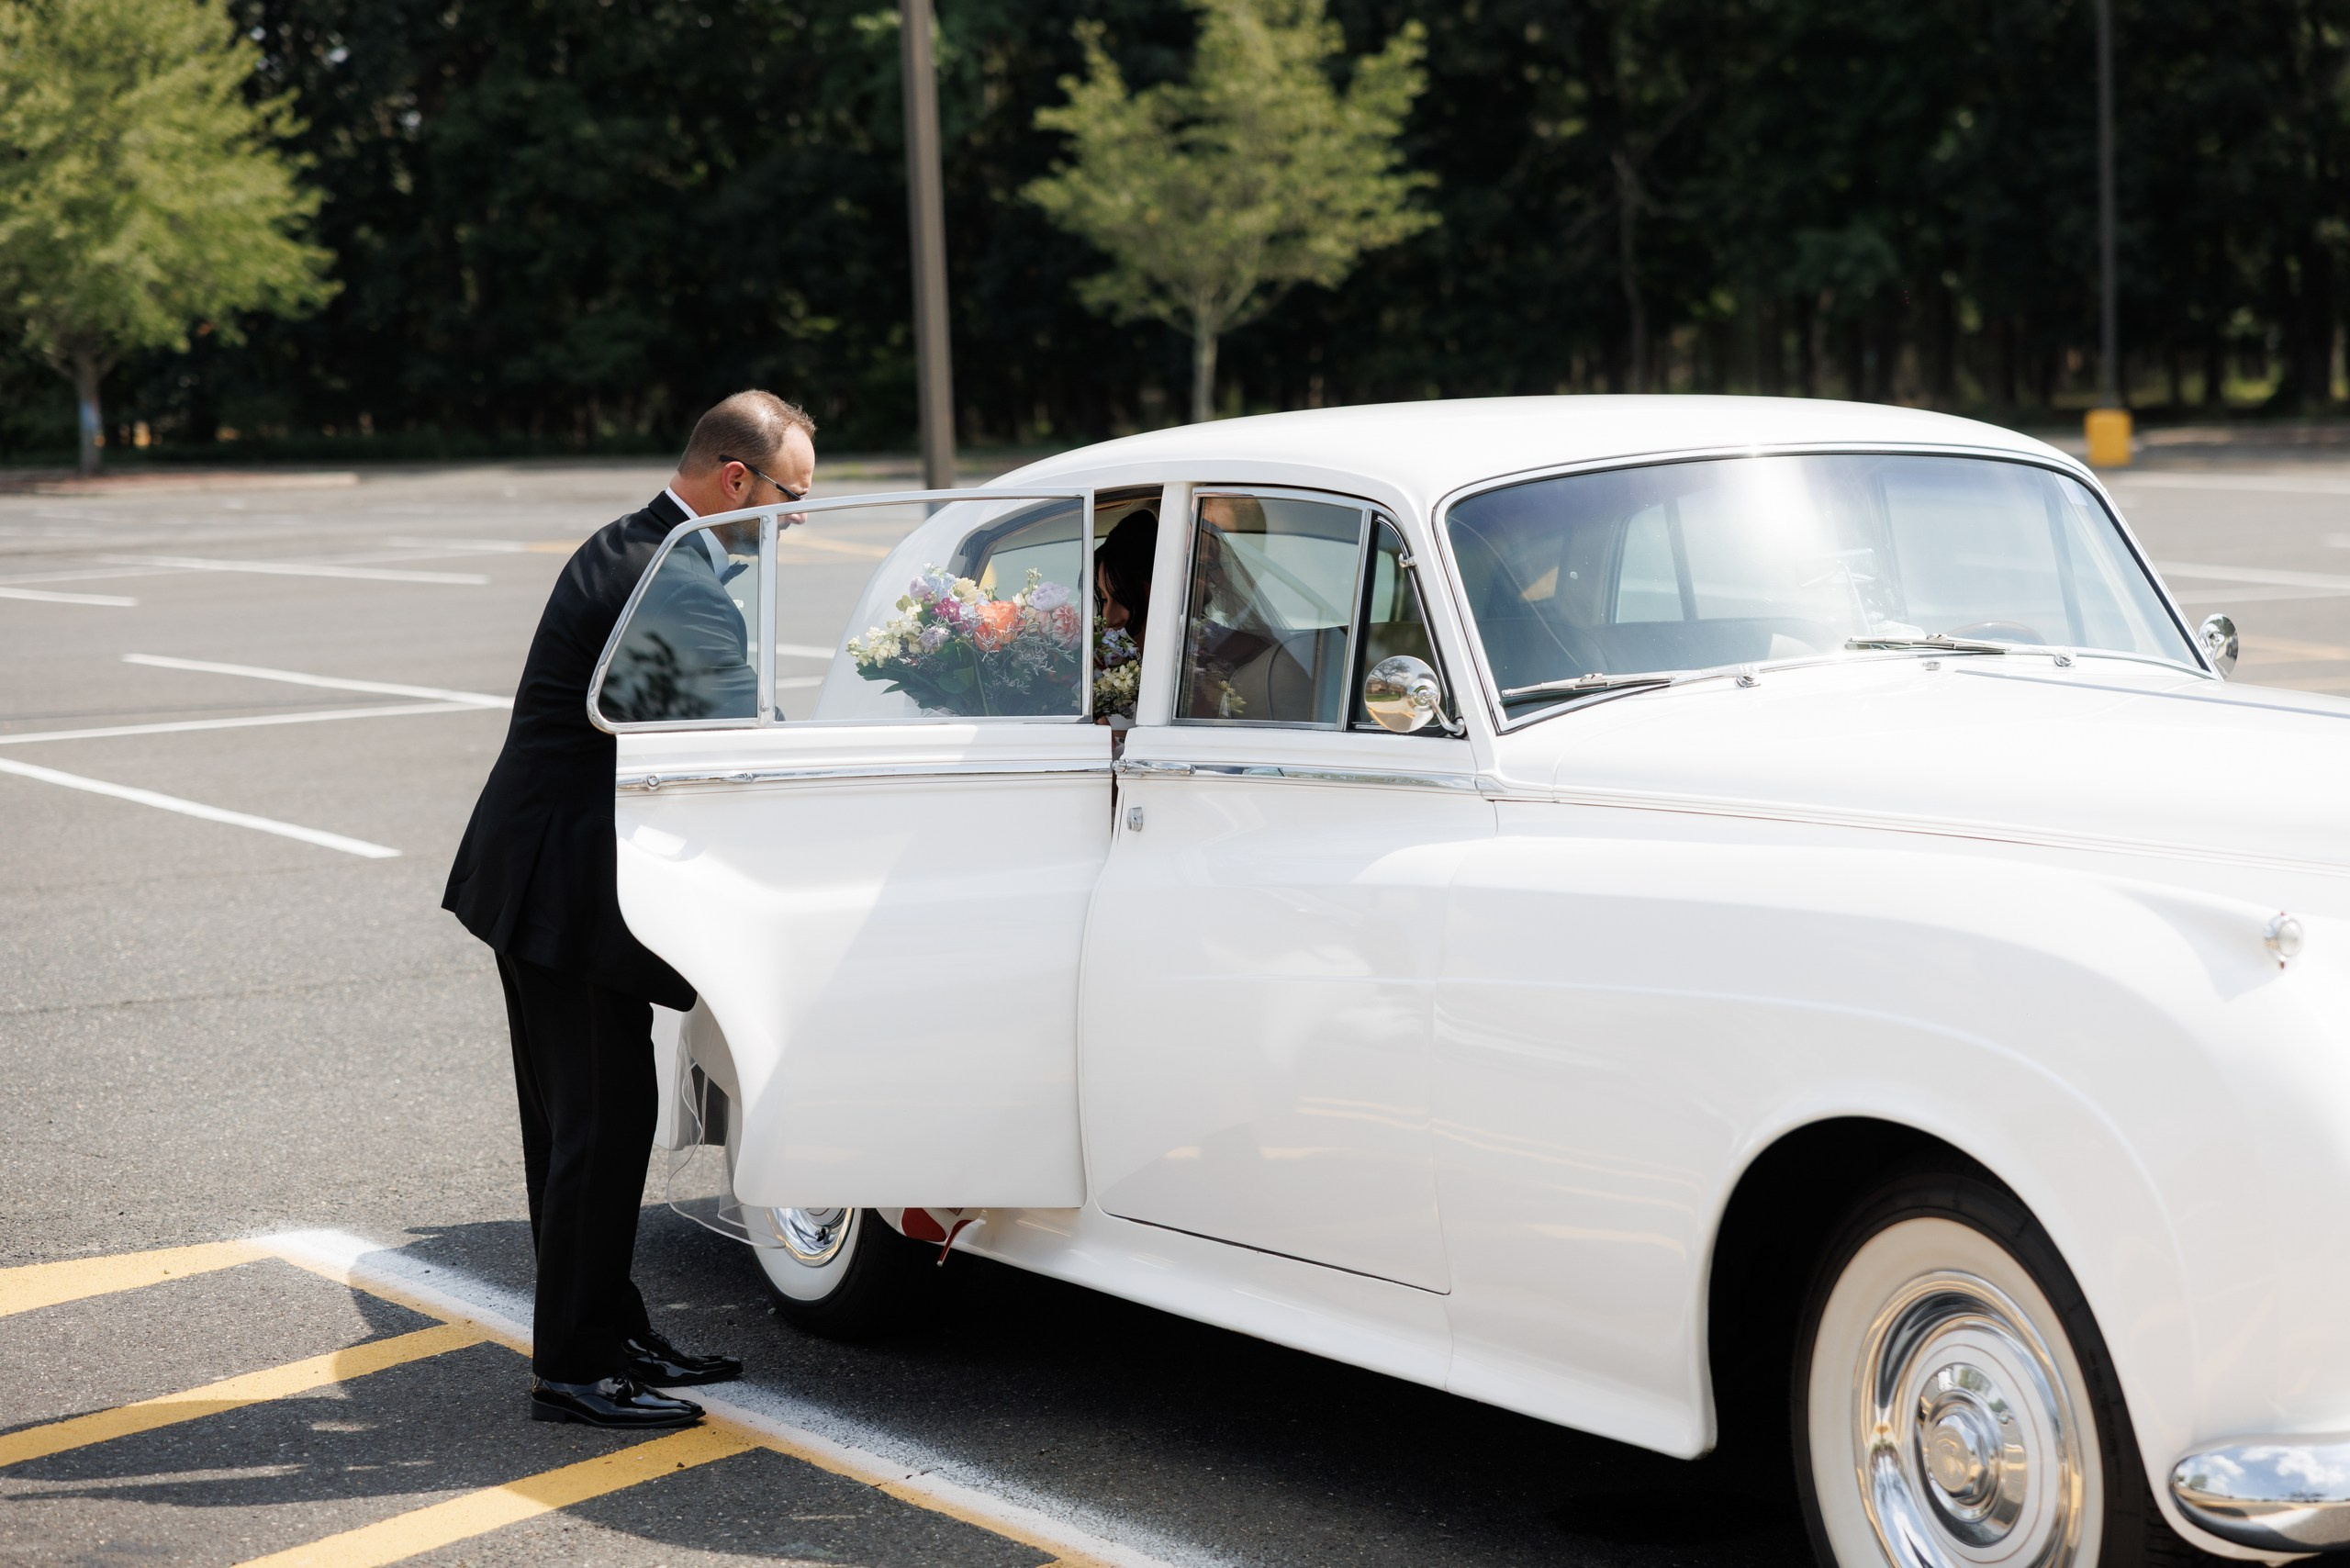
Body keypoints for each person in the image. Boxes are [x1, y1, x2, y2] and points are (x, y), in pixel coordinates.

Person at [442, 390, 816, 1428]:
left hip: (539, 873)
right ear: (735, 479)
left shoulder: (641, 544)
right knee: (598, 1132)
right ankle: (572, 1366)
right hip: (562, 887)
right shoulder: (677, 583)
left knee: (584, 1124)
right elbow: (734, 739)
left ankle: (611, 1326)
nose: (793, 522)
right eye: (791, 497)